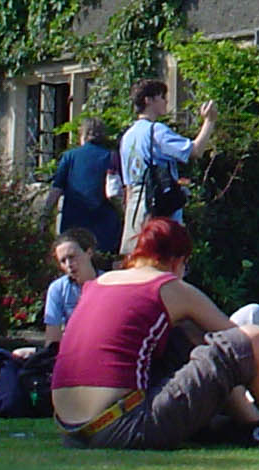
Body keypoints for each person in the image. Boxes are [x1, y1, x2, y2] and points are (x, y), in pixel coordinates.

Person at [49, 216, 259, 451]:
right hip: (122, 425)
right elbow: (244, 347)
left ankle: (253, 426)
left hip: (73, 432)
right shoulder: (167, 287)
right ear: (177, 261)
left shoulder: (98, 284)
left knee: (183, 334)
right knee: (255, 338)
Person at [120, 79, 217, 253]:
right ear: (148, 100)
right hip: (158, 207)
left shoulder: (127, 136)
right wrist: (209, 121)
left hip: (135, 208)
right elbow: (194, 151)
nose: (166, 101)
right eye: (162, 97)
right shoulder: (156, 130)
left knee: (139, 256)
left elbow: (127, 184)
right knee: (163, 256)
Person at [42, 119, 123, 256]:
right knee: (103, 261)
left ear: (83, 135)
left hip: (74, 221)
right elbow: (115, 191)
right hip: (104, 222)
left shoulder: (69, 156)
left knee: (73, 259)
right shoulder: (110, 156)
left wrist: (46, 213)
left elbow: (57, 188)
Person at [43, 230, 100, 347]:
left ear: (89, 253)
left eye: (72, 257)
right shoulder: (58, 289)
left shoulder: (109, 283)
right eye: (63, 261)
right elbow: (52, 338)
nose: (69, 264)